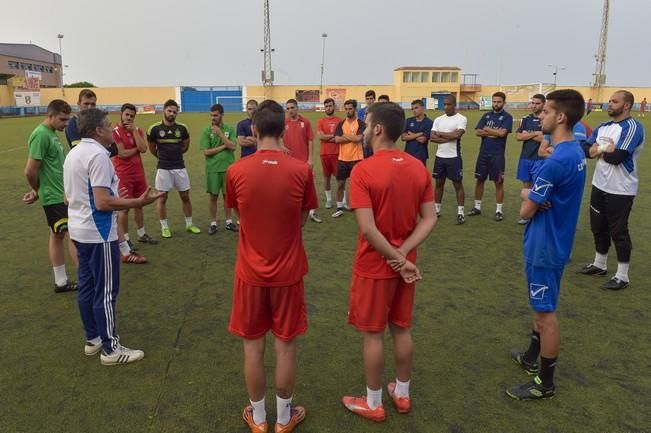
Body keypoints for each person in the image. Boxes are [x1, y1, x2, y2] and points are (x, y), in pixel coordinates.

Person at [226, 100, 317, 433]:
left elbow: (238, 215)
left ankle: (259, 419)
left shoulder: (236, 171)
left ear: (253, 128)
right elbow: (303, 219)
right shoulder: (301, 170)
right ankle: (283, 418)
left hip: (249, 273)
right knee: (286, 345)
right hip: (288, 273)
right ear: (284, 130)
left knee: (253, 345)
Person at [341, 102, 436, 422]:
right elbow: (429, 219)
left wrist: (396, 258)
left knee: (373, 334)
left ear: (378, 129)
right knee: (401, 328)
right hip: (404, 266)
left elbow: (368, 230)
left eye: (366, 125)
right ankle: (402, 394)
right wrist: (405, 256)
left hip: (374, 266)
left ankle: (373, 402)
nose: (364, 130)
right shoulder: (418, 168)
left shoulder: (363, 170)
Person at [63, 108, 163, 365]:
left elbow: (69, 197)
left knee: (87, 286)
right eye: (108, 125)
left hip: (79, 230)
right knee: (106, 291)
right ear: (98, 130)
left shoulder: (73, 154)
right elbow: (103, 201)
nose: (112, 129)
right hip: (97, 233)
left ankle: (93, 339)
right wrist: (138, 201)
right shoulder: (98, 155)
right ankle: (111, 349)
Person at [507, 89, 587, 400]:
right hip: (555, 239)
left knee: (545, 313)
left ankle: (545, 383)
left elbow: (526, 208)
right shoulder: (573, 151)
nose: (541, 116)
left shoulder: (557, 160)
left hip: (546, 245)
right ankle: (530, 358)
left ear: (561, 117)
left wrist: (527, 196)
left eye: (546, 112)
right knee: (539, 304)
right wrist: (537, 199)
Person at [65, 90, 145, 263]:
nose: (89, 107)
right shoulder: (76, 127)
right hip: (86, 181)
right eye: (86, 104)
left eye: (93, 104)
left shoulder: (95, 145)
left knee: (108, 215)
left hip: (94, 176)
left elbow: (116, 149)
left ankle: (124, 251)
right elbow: (112, 151)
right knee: (95, 217)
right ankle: (84, 266)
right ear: (78, 104)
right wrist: (136, 202)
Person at [578, 90, 645, 290]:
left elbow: (617, 158)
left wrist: (597, 149)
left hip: (621, 189)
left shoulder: (633, 127)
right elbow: (584, 150)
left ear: (627, 105)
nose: (610, 104)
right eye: (609, 101)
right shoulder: (603, 126)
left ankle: (622, 276)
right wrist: (602, 149)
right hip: (599, 184)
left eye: (614, 101)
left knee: (618, 231)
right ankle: (600, 264)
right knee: (598, 226)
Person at [23, 99, 78, 293]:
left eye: (67, 120)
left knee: (56, 236)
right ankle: (88, 280)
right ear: (51, 115)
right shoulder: (41, 135)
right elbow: (30, 171)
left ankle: (61, 281)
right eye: (62, 120)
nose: (65, 124)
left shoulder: (51, 133)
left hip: (59, 194)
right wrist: (38, 191)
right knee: (73, 234)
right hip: (54, 197)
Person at [147, 99, 200, 238]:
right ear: (164, 110)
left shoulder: (182, 128)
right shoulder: (154, 129)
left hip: (179, 167)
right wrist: (162, 157)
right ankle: (164, 227)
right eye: (169, 111)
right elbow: (152, 148)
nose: (172, 114)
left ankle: (189, 224)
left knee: (185, 196)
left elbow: (185, 146)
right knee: (162, 198)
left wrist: (175, 155)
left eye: (174, 112)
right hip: (163, 168)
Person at [112, 103, 159, 249]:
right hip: (123, 175)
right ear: (121, 114)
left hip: (138, 173)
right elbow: (122, 154)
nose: (129, 118)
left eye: (132, 116)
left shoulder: (137, 130)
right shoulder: (115, 131)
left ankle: (141, 233)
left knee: (140, 203)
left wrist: (133, 132)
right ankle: (125, 239)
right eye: (126, 115)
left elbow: (144, 149)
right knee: (124, 208)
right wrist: (136, 148)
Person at [468, 91, 513, 221]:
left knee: (498, 182)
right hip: (483, 154)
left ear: (504, 103)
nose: (496, 104)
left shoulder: (507, 117)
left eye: (499, 102)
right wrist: (494, 132)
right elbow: (478, 132)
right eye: (494, 101)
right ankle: (477, 207)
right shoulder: (486, 115)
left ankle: (499, 210)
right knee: (479, 180)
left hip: (497, 155)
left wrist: (487, 130)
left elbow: (502, 134)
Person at [200, 103, 238, 234]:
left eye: (215, 115)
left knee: (228, 196)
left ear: (222, 115)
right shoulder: (206, 131)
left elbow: (233, 147)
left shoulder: (230, 129)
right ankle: (213, 223)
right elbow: (206, 152)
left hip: (228, 168)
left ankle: (229, 222)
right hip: (213, 169)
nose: (213, 118)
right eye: (211, 115)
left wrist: (221, 135)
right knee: (213, 197)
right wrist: (223, 146)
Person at [430, 95, 468, 224]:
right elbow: (432, 138)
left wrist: (440, 134)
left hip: (454, 157)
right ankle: (436, 210)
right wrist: (449, 136)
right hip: (440, 157)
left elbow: (457, 135)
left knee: (457, 184)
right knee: (439, 184)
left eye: (449, 105)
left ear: (454, 105)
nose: (446, 107)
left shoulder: (461, 119)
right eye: (444, 104)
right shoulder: (438, 119)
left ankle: (461, 213)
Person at [283, 99, 322, 223]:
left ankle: (311, 212)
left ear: (297, 107)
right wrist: (282, 147)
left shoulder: (305, 122)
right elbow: (277, 138)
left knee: (309, 186)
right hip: (288, 162)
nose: (290, 110)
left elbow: (310, 140)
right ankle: (291, 211)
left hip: (304, 161)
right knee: (289, 187)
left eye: (292, 107)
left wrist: (310, 158)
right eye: (288, 108)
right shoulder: (283, 123)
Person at [515, 94, 545, 224]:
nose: (533, 105)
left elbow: (544, 139)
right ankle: (526, 214)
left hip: (539, 159)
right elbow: (518, 137)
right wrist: (534, 134)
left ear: (544, 104)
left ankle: (534, 214)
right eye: (532, 103)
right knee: (525, 186)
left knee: (536, 187)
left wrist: (527, 134)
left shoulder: (545, 120)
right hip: (525, 158)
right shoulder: (526, 119)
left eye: (537, 103)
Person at [332, 99, 365, 218]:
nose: (348, 111)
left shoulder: (361, 123)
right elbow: (336, 140)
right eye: (346, 109)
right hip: (343, 159)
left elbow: (358, 139)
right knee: (340, 184)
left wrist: (344, 136)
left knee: (357, 186)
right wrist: (352, 137)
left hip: (357, 159)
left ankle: (358, 207)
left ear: (355, 109)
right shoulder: (341, 124)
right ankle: (339, 207)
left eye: (350, 109)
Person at [316, 98, 343, 209]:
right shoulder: (321, 121)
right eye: (326, 106)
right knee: (326, 178)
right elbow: (320, 137)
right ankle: (329, 200)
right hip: (325, 154)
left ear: (334, 106)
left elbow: (341, 137)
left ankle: (341, 202)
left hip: (338, 154)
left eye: (330, 105)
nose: (328, 108)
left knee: (340, 179)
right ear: (324, 108)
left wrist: (327, 138)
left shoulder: (340, 121)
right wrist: (334, 136)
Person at [401, 99, 433, 166]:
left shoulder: (429, 122)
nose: (414, 110)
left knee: (420, 175)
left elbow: (422, 140)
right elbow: (403, 137)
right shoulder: (408, 120)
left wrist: (411, 134)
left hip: (421, 155)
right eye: (412, 109)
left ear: (422, 108)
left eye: (416, 108)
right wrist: (420, 133)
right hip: (408, 154)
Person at [358, 90, 376, 158]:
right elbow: (360, 126)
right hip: (364, 142)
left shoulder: (378, 111)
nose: (369, 101)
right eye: (367, 99)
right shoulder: (361, 112)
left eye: (371, 98)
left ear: (374, 99)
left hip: (375, 142)